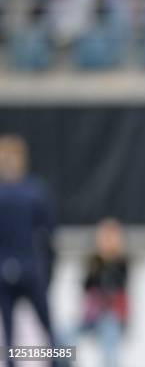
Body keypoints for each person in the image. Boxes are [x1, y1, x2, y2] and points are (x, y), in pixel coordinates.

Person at [0, 134, 58, 367]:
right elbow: (50, 234)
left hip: (24, 268)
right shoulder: (34, 191)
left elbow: (48, 235)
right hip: (18, 268)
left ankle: (59, 361)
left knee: (42, 330)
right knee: (17, 334)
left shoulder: (35, 191)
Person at [79, 218, 129, 367]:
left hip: (113, 316)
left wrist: (109, 261)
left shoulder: (121, 262)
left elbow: (116, 287)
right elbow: (86, 287)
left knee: (109, 330)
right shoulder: (93, 261)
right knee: (63, 335)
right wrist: (98, 263)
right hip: (91, 316)